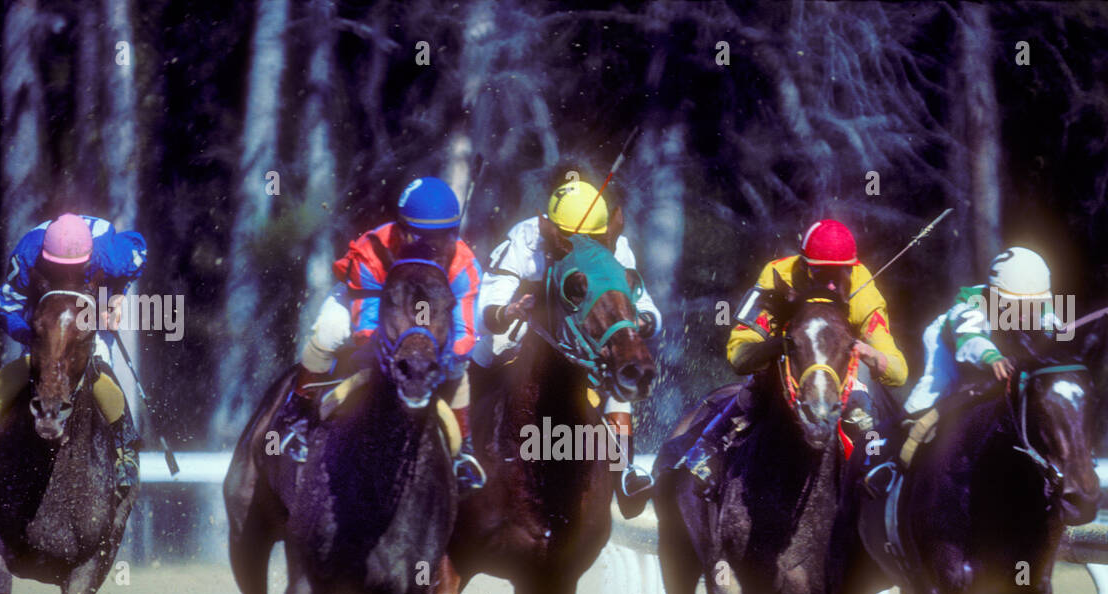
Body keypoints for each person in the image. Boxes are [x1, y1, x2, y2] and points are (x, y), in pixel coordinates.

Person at [278, 177, 486, 489]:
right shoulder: (373, 252)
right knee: (329, 332)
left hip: (424, 322)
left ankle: (463, 451)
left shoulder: (464, 266)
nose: (432, 247)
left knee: (460, 366)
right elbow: (367, 325)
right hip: (367, 305)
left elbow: (465, 332)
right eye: (422, 236)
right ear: (401, 230)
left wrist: (436, 357)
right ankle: (299, 414)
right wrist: (400, 355)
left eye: (442, 236)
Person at [677, 218, 907, 489]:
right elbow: (738, 354)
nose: (831, 285)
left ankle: (874, 470)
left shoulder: (863, 292)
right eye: (820, 274)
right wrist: (779, 345)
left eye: (839, 274)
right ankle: (705, 451)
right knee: (751, 392)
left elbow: (898, 372)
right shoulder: (777, 276)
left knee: (864, 411)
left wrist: (866, 351)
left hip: (838, 372)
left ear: (851, 269)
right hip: (787, 367)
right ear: (803, 267)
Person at [474, 178, 660, 500]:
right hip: (532, 324)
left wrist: (635, 325)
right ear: (553, 231)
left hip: (588, 332)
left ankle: (625, 469)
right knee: (488, 348)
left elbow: (648, 311)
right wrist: (509, 311)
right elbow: (485, 312)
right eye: (574, 240)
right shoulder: (526, 238)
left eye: (594, 239)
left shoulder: (618, 246)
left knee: (622, 361)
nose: (586, 248)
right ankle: (465, 447)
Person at [0, 213, 147, 492]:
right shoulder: (26, 256)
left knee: (100, 364)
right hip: (44, 321)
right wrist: (37, 337)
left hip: (87, 317)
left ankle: (125, 449)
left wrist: (117, 297)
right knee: (31, 366)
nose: (67, 274)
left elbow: (139, 249)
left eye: (74, 268)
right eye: (58, 268)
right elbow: (3, 307)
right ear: (45, 258)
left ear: (90, 258)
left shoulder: (110, 255)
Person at [861, 246, 1061, 496]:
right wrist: (992, 358)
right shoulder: (969, 305)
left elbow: (1059, 338)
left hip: (1001, 355)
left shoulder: (1044, 305)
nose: (1025, 314)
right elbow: (970, 339)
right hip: (951, 345)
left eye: (1032, 306)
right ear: (995, 295)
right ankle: (887, 466)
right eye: (1015, 306)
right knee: (929, 397)